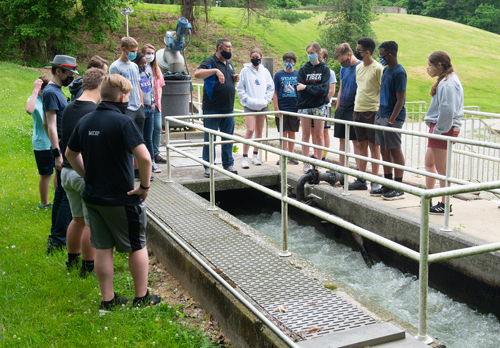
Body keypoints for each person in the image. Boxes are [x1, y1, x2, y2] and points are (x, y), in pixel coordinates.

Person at [66, 74, 160, 309]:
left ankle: (107, 300)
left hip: (93, 197)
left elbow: (70, 154)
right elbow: (145, 158)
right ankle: (141, 298)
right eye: (127, 95)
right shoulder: (123, 122)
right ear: (121, 96)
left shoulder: (85, 120)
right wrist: (144, 187)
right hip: (122, 197)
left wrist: (87, 175)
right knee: (137, 245)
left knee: (103, 247)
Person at [61, 68, 105, 277]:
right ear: (100, 86)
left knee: (76, 219)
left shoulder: (70, 107)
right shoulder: (93, 112)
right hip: (82, 172)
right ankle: (88, 268)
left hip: (66, 172)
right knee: (90, 223)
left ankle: (72, 260)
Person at [43, 54, 77, 254]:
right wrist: (57, 154)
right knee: (65, 195)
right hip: (61, 148)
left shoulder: (56, 91)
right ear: (59, 71)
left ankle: (55, 237)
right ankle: (58, 241)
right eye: (69, 73)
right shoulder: (50, 92)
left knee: (60, 194)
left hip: (63, 147)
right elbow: (51, 125)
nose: (71, 77)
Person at [193, 38, 240, 178]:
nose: (230, 50)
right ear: (220, 48)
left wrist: (234, 78)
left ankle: (228, 164)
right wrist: (214, 71)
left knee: (227, 138)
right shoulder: (210, 62)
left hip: (228, 108)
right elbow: (197, 74)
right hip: (212, 107)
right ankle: (209, 165)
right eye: (228, 47)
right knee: (210, 138)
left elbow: (226, 80)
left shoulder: (229, 64)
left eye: (231, 47)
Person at [424, 50, 463, 215]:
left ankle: (445, 204)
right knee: (429, 162)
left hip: (443, 129)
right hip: (440, 127)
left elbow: (448, 110)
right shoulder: (447, 80)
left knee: (442, 169)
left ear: (439, 65)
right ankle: (429, 197)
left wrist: (439, 130)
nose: (429, 68)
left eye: (430, 65)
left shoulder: (447, 83)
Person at [373, 41, 407, 200]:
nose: (380, 58)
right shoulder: (386, 70)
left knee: (394, 148)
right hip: (382, 115)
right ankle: (387, 183)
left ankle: (398, 187)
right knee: (384, 149)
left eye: (382, 55)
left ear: (390, 55)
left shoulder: (399, 73)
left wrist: (392, 120)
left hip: (393, 118)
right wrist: (379, 114)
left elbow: (400, 100)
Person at [349, 37, 383, 193]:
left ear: (367, 52)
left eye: (359, 50)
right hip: (358, 110)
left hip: (372, 111)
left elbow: (382, 91)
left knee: (374, 146)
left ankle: (374, 180)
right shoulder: (358, 67)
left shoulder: (378, 68)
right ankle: (361, 178)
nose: (357, 52)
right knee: (361, 144)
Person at [237, 48, 274, 169]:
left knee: (259, 130)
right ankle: (244, 157)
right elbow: (240, 88)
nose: (255, 59)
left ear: (261, 58)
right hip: (249, 105)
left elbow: (270, 87)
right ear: (250, 58)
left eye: (257, 57)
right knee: (250, 130)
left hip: (262, 105)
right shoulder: (244, 71)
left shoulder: (265, 72)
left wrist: (266, 100)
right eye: (253, 57)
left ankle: (255, 155)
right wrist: (247, 99)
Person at [296, 42, 331, 173]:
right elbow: (299, 89)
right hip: (305, 106)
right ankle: (306, 162)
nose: (310, 55)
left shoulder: (324, 69)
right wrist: (310, 89)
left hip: (319, 105)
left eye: (312, 53)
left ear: (318, 53)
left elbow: (324, 89)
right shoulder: (303, 69)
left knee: (319, 135)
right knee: (305, 134)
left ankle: (319, 162)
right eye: (308, 53)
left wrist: (306, 87)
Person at [25, 76, 53, 209]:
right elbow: (29, 110)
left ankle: (58, 198)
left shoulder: (49, 98)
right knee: (46, 173)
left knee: (58, 171)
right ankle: (44, 202)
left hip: (54, 141)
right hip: (42, 144)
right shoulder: (34, 100)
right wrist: (35, 90)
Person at [333, 43, 361, 170]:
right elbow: (341, 89)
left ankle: (360, 172)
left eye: (342, 60)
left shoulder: (360, 67)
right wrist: (337, 108)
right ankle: (342, 170)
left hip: (354, 108)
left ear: (349, 55)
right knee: (342, 140)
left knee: (356, 142)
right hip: (342, 108)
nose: (341, 63)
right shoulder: (343, 69)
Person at [273, 52, 300, 165]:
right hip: (282, 108)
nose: (288, 63)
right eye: (286, 60)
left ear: (294, 62)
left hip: (294, 108)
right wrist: (276, 108)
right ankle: (283, 155)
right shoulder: (278, 75)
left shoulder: (298, 74)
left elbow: (300, 93)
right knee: (283, 133)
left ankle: (291, 154)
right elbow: (275, 92)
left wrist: (300, 109)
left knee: (292, 132)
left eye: (291, 61)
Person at [133, 52, 159, 174]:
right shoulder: (134, 74)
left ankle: (151, 161)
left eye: (145, 63)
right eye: (141, 63)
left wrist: (153, 102)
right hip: (139, 108)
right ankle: (138, 166)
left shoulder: (147, 72)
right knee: (139, 137)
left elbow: (151, 87)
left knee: (149, 137)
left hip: (150, 107)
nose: (144, 65)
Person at [141, 44, 166, 165]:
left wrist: (158, 101)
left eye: (152, 53)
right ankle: (147, 154)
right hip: (145, 104)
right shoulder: (141, 68)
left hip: (156, 104)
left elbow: (160, 87)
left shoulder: (156, 68)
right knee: (147, 131)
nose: (150, 55)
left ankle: (156, 153)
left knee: (157, 128)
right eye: (148, 53)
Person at [312, 48, 337, 162]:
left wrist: (323, 101)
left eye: (319, 57)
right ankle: (316, 153)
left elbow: (332, 91)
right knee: (314, 131)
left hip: (324, 106)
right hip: (312, 106)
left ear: (324, 59)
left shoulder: (330, 72)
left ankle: (324, 156)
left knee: (324, 131)